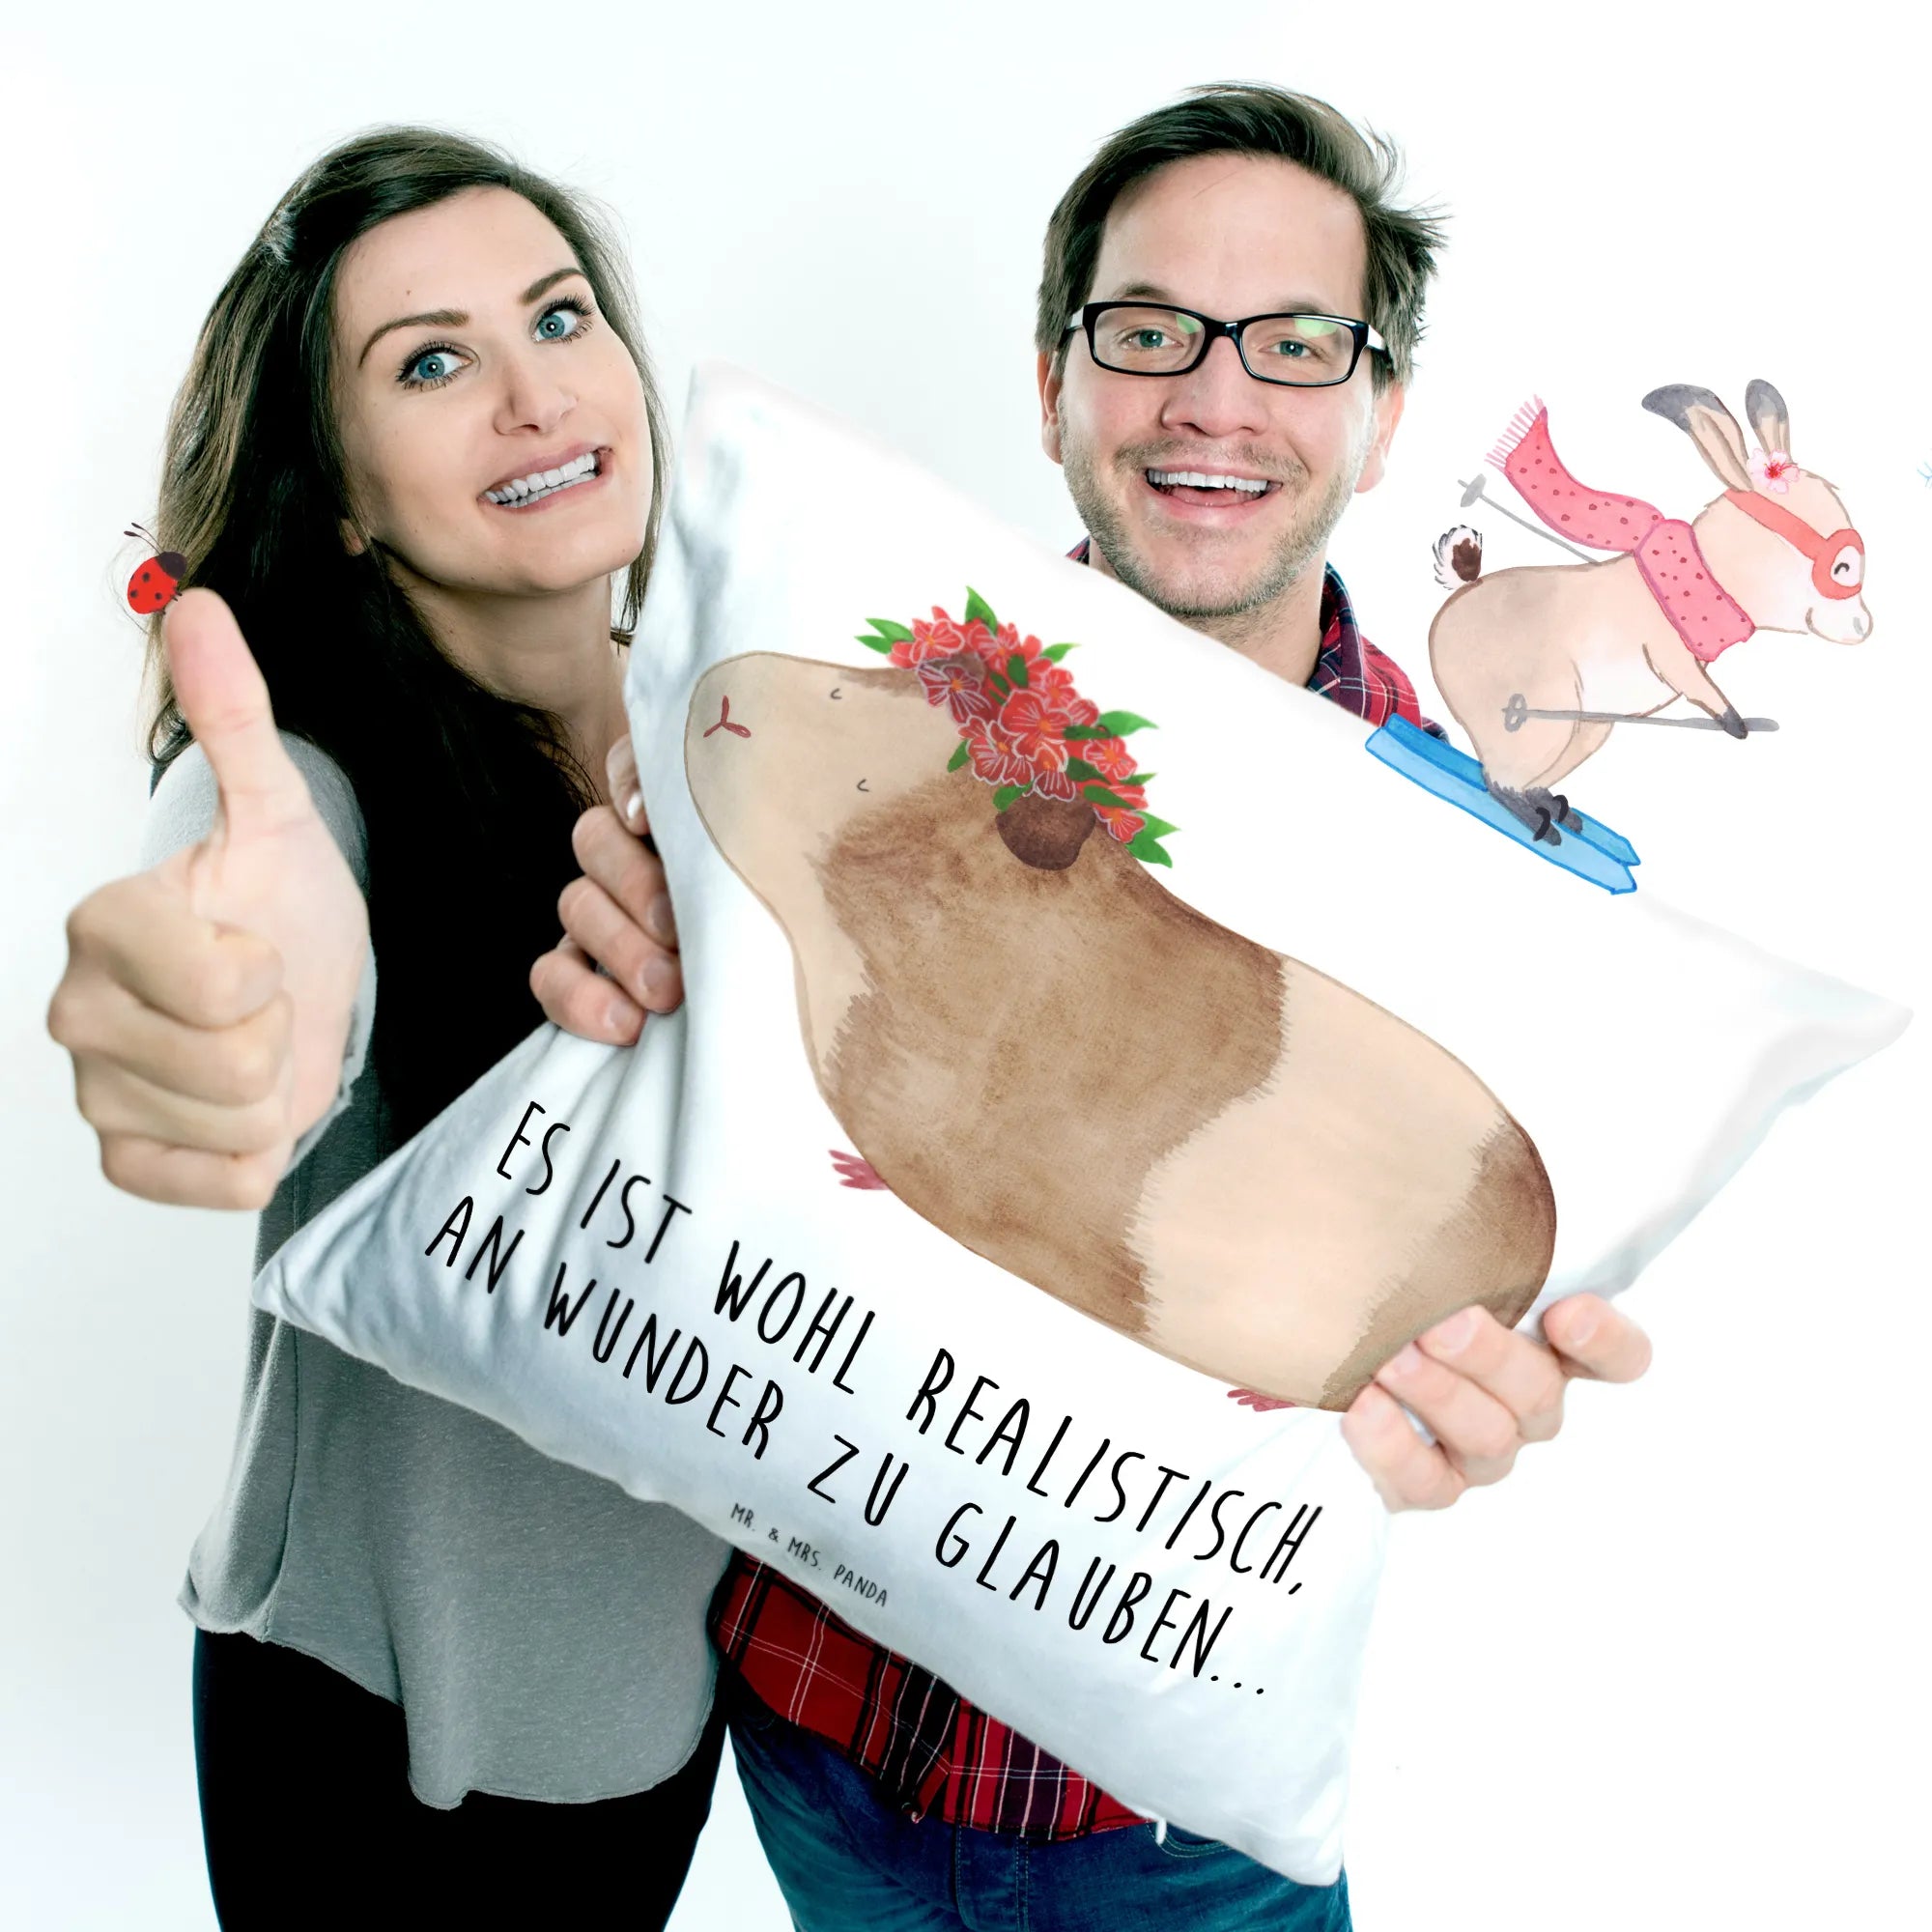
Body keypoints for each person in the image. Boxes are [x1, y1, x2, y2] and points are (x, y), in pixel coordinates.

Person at [534, 84, 1654, 1928]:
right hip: (808, 1737)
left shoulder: (1469, 885)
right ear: (1054, 384)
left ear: (1380, 418)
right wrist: (623, 966)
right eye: (1150, 333)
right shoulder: (869, 686)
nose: (1216, 398)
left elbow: (1398, 1321)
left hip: (1178, 1832)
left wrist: (1470, 1390)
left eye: (1296, 343)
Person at [45, 130, 724, 1927]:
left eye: (558, 318)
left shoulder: (726, 742)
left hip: (662, 1708)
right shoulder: (308, 782)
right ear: (341, 496)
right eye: (430, 363)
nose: (532, 395)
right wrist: (222, 1002)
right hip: (379, 1738)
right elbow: (253, 900)